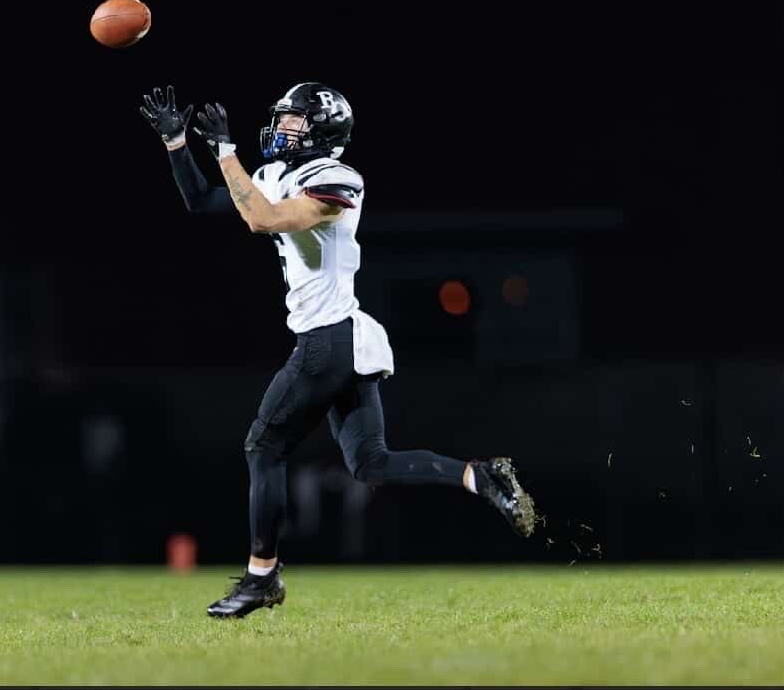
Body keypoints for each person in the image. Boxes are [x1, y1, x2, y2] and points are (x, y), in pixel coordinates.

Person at [139, 83, 536, 619]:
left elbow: (263, 220)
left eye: (295, 120)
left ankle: (262, 578)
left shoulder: (337, 178)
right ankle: (480, 476)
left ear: (323, 130)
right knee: (370, 464)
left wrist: (226, 151)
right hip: (340, 336)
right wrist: (175, 141)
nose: (282, 128)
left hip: (328, 339)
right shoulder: (275, 175)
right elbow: (205, 201)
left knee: (264, 447)